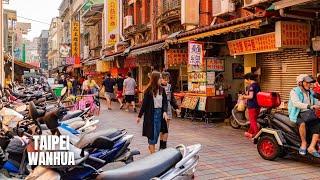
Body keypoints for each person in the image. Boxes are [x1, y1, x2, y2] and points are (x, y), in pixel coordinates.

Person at [288, 74, 320, 157]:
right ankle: (304, 142)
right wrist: (310, 106)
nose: (309, 85)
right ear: (300, 83)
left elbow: (316, 102)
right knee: (302, 124)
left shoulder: (310, 92)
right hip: (297, 113)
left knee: (318, 125)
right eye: (307, 83)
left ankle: (311, 147)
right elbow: (296, 103)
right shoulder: (294, 91)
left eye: (310, 83)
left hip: (308, 113)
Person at [137, 71, 168, 154]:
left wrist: (165, 111)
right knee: (152, 135)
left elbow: (165, 102)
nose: (161, 79)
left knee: (158, 133)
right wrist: (139, 116)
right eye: (160, 77)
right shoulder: (148, 90)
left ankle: (151, 147)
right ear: (155, 79)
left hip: (160, 114)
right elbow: (144, 104)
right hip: (151, 114)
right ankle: (153, 155)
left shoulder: (162, 89)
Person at [159, 72, 180, 150]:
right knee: (161, 128)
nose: (166, 81)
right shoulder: (157, 87)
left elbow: (172, 98)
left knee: (166, 128)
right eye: (164, 80)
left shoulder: (169, 87)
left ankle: (164, 146)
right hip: (159, 108)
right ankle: (161, 145)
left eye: (167, 80)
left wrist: (176, 108)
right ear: (161, 79)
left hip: (167, 108)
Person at [240, 73, 261, 138]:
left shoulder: (252, 86)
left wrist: (244, 96)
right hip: (257, 105)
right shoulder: (257, 85)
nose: (245, 81)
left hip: (252, 106)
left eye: (246, 79)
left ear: (249, 79)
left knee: (252, 121)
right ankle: (250, 133)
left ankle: (257, 134)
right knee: (254, 119)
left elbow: (251, 96)